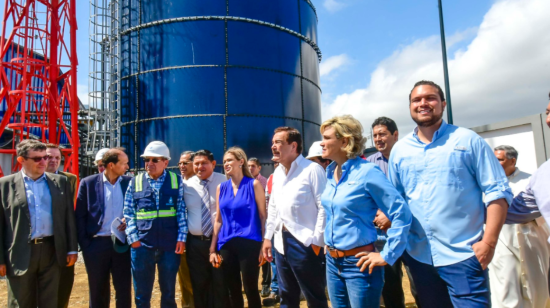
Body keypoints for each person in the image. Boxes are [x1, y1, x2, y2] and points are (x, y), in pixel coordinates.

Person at [388, 80, 513, 307]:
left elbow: (498, 193)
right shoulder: (400, 150)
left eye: (430, 98)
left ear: (443, 104)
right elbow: (396, 202)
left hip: (464, 256)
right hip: (419, 258)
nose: (423, 103)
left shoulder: (467, 140)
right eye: (416, 100)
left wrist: (489, 243)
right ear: (409, 107)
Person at [319, 115, 411, 308]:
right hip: (332, 263)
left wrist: (387, 255)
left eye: (327, 138)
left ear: (344, 141)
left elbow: (400, 212)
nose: (322, 143)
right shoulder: (330, 172)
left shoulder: (367, 172)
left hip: (359, 265)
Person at [0, 139, 78, 308]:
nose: (44, 162)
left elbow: (68, 219)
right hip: (20, 252)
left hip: (52, 250)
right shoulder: (4, 185)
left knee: (49, 301)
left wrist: (72, 248)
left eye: (44, 157)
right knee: (20, 302)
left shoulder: (60, 182)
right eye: (37, 158)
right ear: (21, 160)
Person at [262, 127, 329, 308]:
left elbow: (324, 207)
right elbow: (273, 208)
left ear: (293, 146)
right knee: (287, 296)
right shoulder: (277, 173)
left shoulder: (312, 170)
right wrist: (268, 238)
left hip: (305, 243)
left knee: (314, 296)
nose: (273, 146)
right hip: (281, 243)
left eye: (278, 142)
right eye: (273, 143)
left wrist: (317, 241)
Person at [123, 141, 187, 308]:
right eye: (147, 160)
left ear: (166, 162)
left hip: (169, 245)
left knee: (168, 294)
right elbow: (129, 213)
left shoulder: (176, 181)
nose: (149, 163)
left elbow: (181, 211)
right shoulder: (135, 182)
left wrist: (181, 238)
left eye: (154, 160)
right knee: (142, 296)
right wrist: (133, 239)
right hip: (142, 245)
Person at [366, 117, 420, 308]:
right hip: (383, 238)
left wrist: (392, 217)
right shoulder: (369, 165)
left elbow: (417, 195)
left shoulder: (410, 159)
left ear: (395, 134)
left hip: (412, 235)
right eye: (374, 136)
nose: (378, 139)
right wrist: (378, 217)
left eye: (382, 134)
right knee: (390, 288)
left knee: (419, 286)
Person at [489, 145, 550, 308]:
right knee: (505, 285)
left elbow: (543, 209)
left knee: (536, 285)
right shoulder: (488, 183)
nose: (495, 163)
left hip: (531, 239)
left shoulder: (531, 179)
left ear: (512, 160)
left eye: (500, 160)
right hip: (503, 242)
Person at [210, 147, 267, 308]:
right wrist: (212, 249)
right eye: (225, 161)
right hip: (227, 244)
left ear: (241, 161)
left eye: (230, 160)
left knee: (250, 289)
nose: (226, 163)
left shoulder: (254, 185)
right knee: (232, 290)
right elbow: (218, 220)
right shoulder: (221, 188)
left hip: (250, 243)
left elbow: (263, 216)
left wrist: (263, 244)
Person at [76, 148, 133, 308]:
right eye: (124, 163)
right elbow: (80, 216)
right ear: (111, 165)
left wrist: (129, 219)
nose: (127, 167)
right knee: (97, 289)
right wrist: (86, 245)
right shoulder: (88, 183)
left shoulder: (130, 183)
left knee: (123, 288)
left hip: (122, 244)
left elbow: (137, 210)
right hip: (96, 245)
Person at [184, 149, 230, 308]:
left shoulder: (224, 182)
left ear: (213, 164)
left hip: (220, 242)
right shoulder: (187, 186)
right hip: (195, 244)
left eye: (204, 163)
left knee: (220, 283)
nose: (199, 167)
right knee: (199, 283)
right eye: (196, 164)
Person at [44, 143, 78, 308]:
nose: (54, 161)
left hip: (61, 242)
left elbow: (69, 214)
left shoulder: (69, 179)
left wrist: (72, 247)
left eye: (57, 158)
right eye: (49, 157)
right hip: (38, 243)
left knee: (63, 286)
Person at [247, 157, 271, 297]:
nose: (251, 168)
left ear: (259, 167)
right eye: (249, 166)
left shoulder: (264, 182)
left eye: (253, 166)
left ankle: (266, 285)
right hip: (250, 224)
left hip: (262, 222)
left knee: (265, 254)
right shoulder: (246, 182)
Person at [178, 150, 196, 308]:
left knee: (197, 276)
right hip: (181, 238)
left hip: (197, 238)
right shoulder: (176, 183)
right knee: (183, 277)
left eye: (185, 163)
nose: (182, 166)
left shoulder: (200, 183)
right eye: (180, 163)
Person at [263, 161, 281, 306]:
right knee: (274, 261)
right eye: (274, 163)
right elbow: (268, 204)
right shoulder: (271, 179)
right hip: (274, 227)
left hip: (292, 231)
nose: (276, 164)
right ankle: (276, 290)